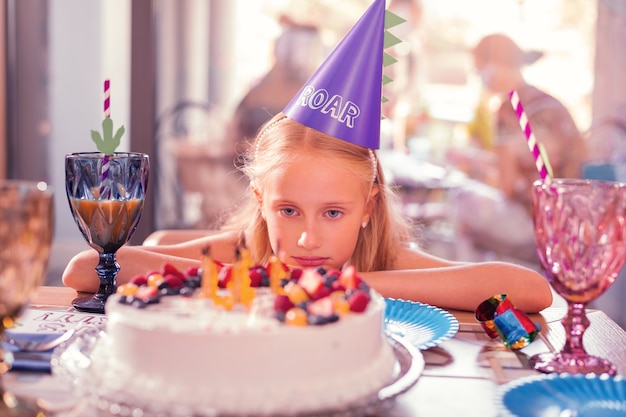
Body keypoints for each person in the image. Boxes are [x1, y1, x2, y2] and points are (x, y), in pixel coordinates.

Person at [62, 2, 552, 313]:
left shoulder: (379, 257)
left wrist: (355, 280)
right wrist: (254, 276)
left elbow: (530, 290)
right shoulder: (247, 249)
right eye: (288, 210)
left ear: (369, 208)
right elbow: (84, 269)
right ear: (260, 199)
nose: (307, 237)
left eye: (334, 213)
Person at [450, 33, 587, 265]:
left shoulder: (508, 110)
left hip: (536, 225)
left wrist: (480, 168)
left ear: (497, 65)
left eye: (480, 69)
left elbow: (508, 187)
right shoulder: (548, 102)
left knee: (459, 199)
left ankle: (463, 288)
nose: (481, 77)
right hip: (573, 224)